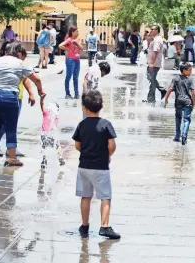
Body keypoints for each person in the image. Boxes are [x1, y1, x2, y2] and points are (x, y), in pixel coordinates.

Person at [0, 42, 45, 166]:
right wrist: (39, 90)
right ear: (18, 53)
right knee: (10, 127)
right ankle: (11, 158)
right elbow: (36, 79)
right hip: (8, 97)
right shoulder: (20, 63)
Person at [73, 90, 120, 240]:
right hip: (100, 167)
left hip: (84, 167)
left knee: (85, 196)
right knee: (105, 196)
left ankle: (84, 225)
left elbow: (77, 145)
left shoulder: (81, 125)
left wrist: (86, 151)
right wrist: (107, 156)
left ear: (84, 108)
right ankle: (104, 227)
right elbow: (112, 145)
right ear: (100, 107)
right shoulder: (106, 124)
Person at [0, 47, 36, 157]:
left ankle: (11, 148)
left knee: (12, 124)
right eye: (22, 56)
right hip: (5, 95)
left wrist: (31, 93)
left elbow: (25, 79)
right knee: (3, 123)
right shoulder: (6, 64)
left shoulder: (20, 65)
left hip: (17, 96)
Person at [164, 63, 195, 145]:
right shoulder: (190, 80)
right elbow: (193, 93)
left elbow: (170, 89)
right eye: (189, 70)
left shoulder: (175, 79)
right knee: (186, 119)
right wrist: (193, 103)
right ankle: (184, 135)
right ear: (183, 71)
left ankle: (177, 136)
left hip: (178, 101)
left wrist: (166, 99)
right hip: (187, 101)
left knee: (178, 118)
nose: (191, 71)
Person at [40, 95, 64, 169]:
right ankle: (60, 157)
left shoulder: (45, 113)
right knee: (57, 146)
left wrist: (42, 99)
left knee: (43, 147)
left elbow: (42, 105)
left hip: (44, 134)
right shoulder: (56, 116)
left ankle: (44, 160)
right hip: (52, 134)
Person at [59, 26, 83, 99]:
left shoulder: (77, 40)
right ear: (72, 32)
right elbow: (60, 45)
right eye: (76, 32)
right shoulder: (69, 40)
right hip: (70, 60)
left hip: (77, 60)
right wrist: (67, 49)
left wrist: (77, 43)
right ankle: (67, 93)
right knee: (68, 76)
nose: (78, 33)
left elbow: (81, 48)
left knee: (76, 77)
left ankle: (76, 93)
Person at [145, 25, 167, 104]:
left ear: (157, 30)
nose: (150, 30)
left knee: (152, 80)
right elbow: (149, 49)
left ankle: (151, 99)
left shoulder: (157, 40)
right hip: (152, 62)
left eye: (152, 29)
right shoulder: (155, 39)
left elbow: (155, 52)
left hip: (154, 63)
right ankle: (162, 90)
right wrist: (148, 38)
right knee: (151, 78)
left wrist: (151, 63)